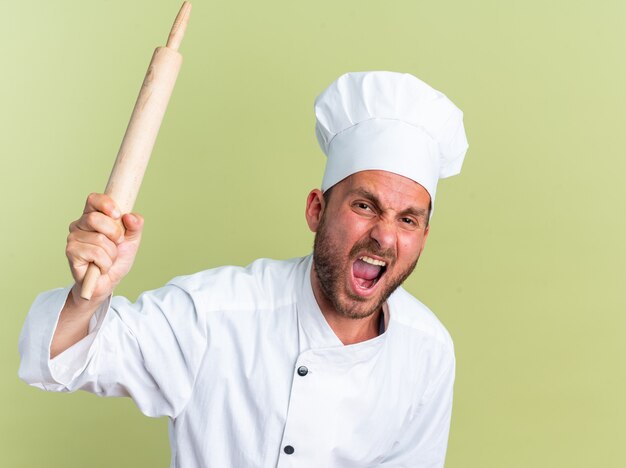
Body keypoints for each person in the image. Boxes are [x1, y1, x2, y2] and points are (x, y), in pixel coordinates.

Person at [19, 71, 468, 467]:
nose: (385, 237)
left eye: (408, 219)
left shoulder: (427, 350)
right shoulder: (215, 314)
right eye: (365, 205)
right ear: (316, 209)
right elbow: (70, 359)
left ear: (423, 237)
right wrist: (90, 295)